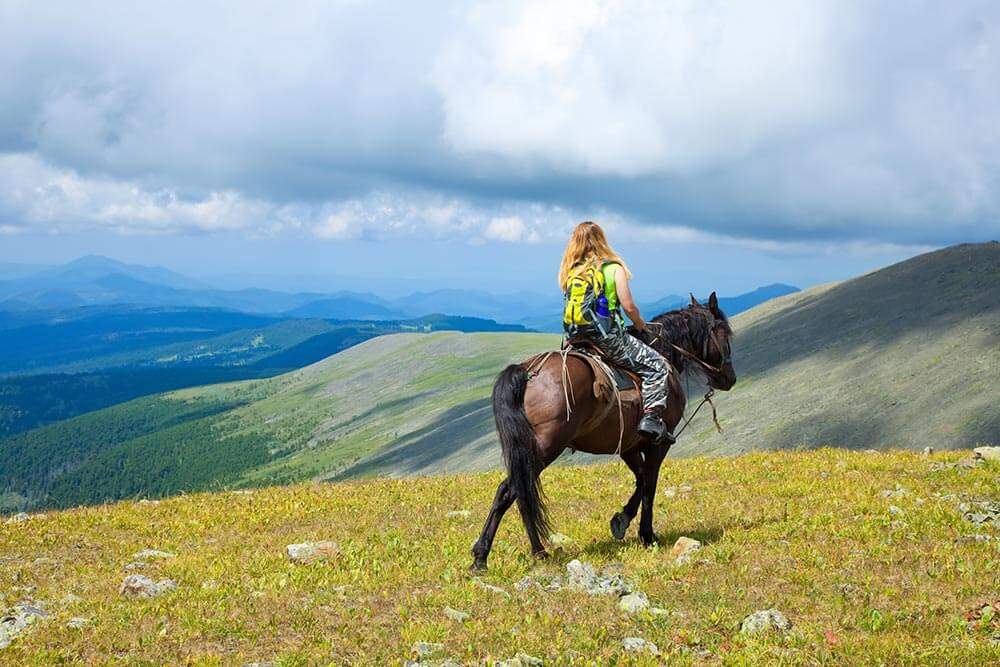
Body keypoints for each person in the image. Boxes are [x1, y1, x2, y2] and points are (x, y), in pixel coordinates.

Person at [559, 221, 673, 442]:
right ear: (602, 239)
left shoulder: (572, 271)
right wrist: (640, 324)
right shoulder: (613, 268)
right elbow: (628, 306)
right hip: (607, 338)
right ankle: (651, 419)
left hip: (575, 339)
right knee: (657, 367)